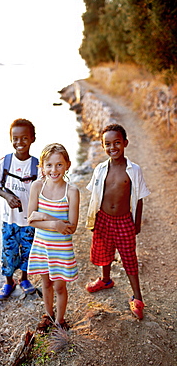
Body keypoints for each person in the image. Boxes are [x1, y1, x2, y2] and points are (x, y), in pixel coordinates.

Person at [85, 123, 150, 320]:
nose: (112, 147)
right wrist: (93, 218)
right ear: (103, 146)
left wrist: (137, 223)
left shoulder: (133, 170)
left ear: (125, 143)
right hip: (103, 218)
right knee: (104, 250)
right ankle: (105, 280)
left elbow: (139, 198)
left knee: (129, 257)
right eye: (107, 144)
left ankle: (137, 297)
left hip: (123, 220)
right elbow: (95, 195)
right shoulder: (100, 169)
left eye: (117, 143)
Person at [27, 143, 79, 332]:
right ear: (41, 166)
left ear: (67, 165)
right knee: (46, 284)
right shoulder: (37, 187)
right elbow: (30, 219)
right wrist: (54, 223)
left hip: (61, 249)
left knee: (59, 287)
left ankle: (60, 320)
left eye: (59, 165)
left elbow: (71, 227)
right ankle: (48, 315)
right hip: (42, 245)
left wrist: (46, 217)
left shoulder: (71, 191)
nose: (54, 170)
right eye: (49, 165)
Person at [0, 118, 39, 299]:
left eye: (24, 138)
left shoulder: (37, 165)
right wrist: (8, 196)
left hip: (29, 219)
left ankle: (24, 278)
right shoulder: (4, 163)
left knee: (28, 250)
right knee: (8, 250)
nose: (20, 142)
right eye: (16, 138)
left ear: (33, 139)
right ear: (11, 139)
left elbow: (43, 190)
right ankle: (8, 281)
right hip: (9, 219)